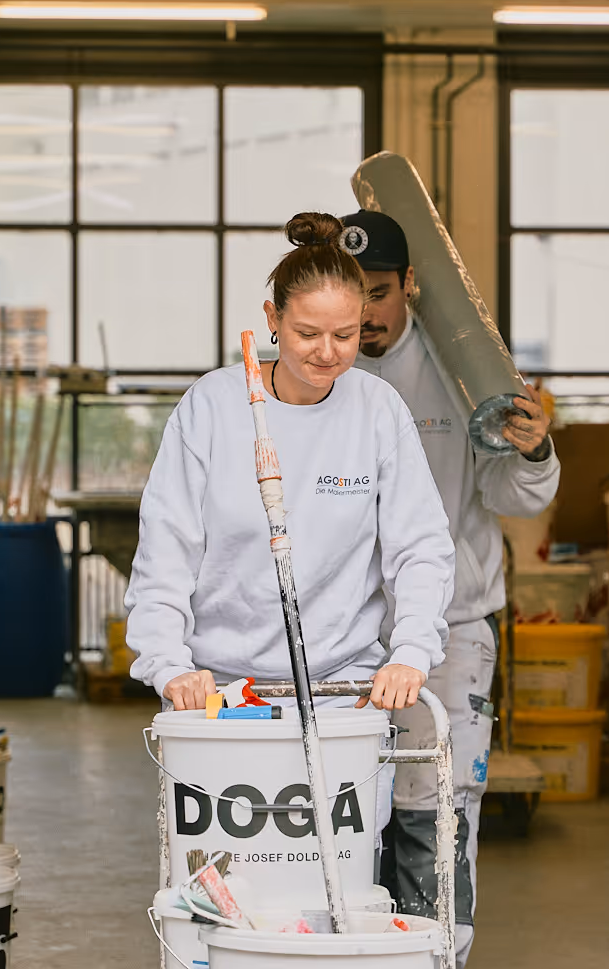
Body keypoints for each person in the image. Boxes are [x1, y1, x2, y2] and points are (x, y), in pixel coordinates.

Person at [125, 212, 455, 749]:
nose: (327, 352)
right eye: (307, 333)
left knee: (346, 838)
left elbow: (421, 548)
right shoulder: (211, 407)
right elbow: (166, 554)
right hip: (220, 693)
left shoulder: (377, 412)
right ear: (272, 319)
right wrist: (168, 665)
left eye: (344, 335)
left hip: (344, 690)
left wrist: (411, 653)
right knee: (224, 838)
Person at [346, 208, 560, 969]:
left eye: (379, 294)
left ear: (409, 287)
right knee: (348, 817)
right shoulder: (318, 375)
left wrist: (534, 448)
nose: (365, 316)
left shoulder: (460, 373)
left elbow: (510, 494)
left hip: (451, 634)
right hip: (345, 642)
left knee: (435, 817)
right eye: (351, 294)